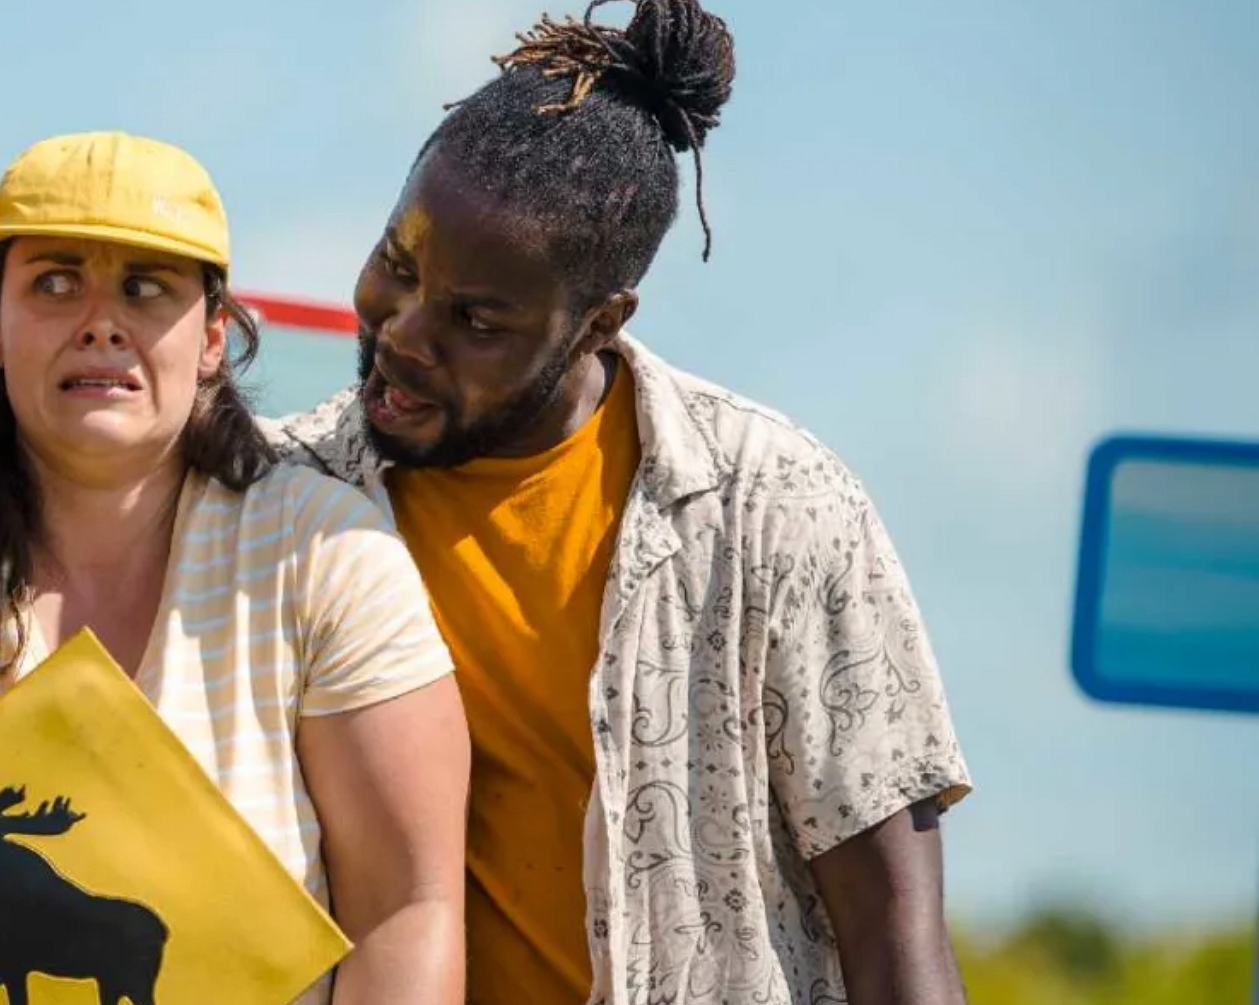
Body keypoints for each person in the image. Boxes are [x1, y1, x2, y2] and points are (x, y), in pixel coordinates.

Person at [262, 3, 975, 1004]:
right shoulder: (282, 499)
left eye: (476, 320)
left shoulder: (773, 507)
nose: (405, 334)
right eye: (397, 265)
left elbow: (894, 940)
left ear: (598, 323)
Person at [0, 130, 471, 1005]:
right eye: (54, 283)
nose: (100, 323)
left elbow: (407, 910)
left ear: (213, 338)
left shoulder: (327, 550)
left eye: (146, 288)